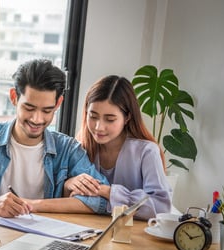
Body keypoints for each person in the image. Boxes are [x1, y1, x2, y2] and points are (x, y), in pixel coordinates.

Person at [0, 58, 110, 217]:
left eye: (47, 111)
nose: (37, 119)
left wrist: (33, 204)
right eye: (29, 108)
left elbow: (102, 200)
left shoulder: (68, 149)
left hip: (43, 239)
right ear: (14, 97)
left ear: (58, 104)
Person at [67, 75, 172, 220]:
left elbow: (161, 207)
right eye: (93, 116)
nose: (99, 127)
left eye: (110, 119)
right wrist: (69, 184)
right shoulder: (80, 147)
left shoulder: (147, 151)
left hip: (133, 236)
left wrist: (107, 192)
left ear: (127, 117)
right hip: (87, 230)